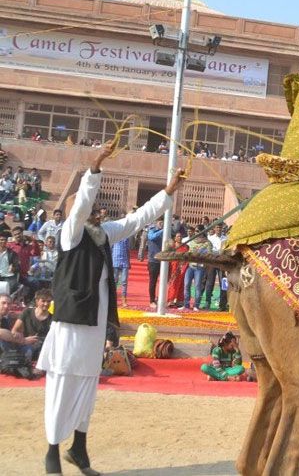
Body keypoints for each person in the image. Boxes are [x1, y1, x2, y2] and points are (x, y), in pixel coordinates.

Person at [36, 141, 185, 475]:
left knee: (88, 385)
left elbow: (137, 219)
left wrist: (168, 192)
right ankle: (51, 453)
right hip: (71, 323)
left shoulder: (102, 234)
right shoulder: (69, 234)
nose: (94, 209)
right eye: (86, 206)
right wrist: (95, 166)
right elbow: (81, 205)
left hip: (96, 323)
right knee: (62, 384)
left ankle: (79, 448)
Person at [11, 288, 52, 362]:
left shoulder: (53, 318)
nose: (46, 304)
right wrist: (24, 340)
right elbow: (14, 331)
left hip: (44, 347)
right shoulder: (27, 312)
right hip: (27, 344)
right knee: (27, 352)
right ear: (37, 301)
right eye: (43, 301)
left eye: (48, 301)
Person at [181, 230, 211, 311]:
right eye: (197, 234)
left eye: (199, 234)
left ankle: (196, 305)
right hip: (190, 266)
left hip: (200, 268)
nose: (198, 236)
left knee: (197, 286)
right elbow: (189, 252)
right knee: (186, 284)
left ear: (203, 235)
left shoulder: (207, 243)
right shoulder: (192, 242)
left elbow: (209, 255)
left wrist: (200, 254)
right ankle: (186, 305)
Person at [203, 224, 228, 311]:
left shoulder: (226, 238)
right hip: (212, 262)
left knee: (223, 283)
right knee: (210, 283)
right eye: (217, 227)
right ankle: (207, 302)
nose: (218, 229)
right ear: (214, 228)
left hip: (221, 262)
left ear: (222, 228)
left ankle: (222, 305)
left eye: (220, 227)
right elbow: (208, 250)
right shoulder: (210, 238)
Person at [145, 219, 165, 309]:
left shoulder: (165, 232)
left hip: (163, 261)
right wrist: (162, 230)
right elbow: (152, 237)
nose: (162, 224)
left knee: (164, 281)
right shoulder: (152, 230)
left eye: (163, 223)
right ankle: (152, 300)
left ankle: (161, 298)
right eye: (160, 223)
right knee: (153, 281)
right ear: (156, 223)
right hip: (153, 261)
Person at [166, 233, 189, 308]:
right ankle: (170, 300)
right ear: (175, 238)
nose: (180, 237)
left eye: (181, 236)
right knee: (173, 284)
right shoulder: (172, 246)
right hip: (174, 267)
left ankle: (179, 301)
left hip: (183, 267)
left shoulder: (185, 246)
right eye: (178, 236)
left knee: (182, 284)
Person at [110, 229, 130, 308]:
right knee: (115, 281)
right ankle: (113, 299)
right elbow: (111, 250)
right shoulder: (114, 238)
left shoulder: (126, 238)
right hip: (115, 262)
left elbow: (127, 250)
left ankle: (124, 299)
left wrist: (128, 262)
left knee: (124, 282)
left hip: (124, 262)